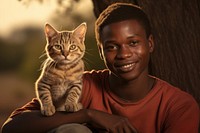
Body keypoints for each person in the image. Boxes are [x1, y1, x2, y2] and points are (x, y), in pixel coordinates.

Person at [1, 3, 199, 133]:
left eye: (133, 43)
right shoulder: (79, 83)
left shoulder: (179, 106)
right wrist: (87, 114)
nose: (123, 54)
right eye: (112, 46)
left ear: (150, 44)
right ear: (101, 51)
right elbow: (11, 128)